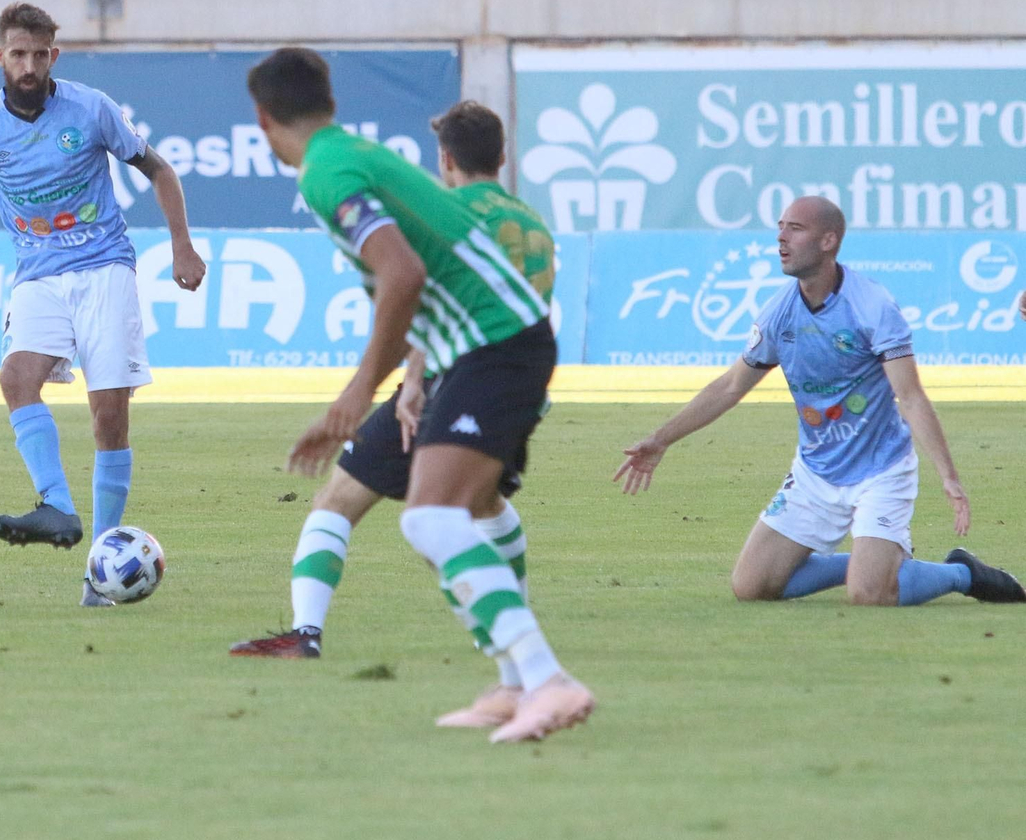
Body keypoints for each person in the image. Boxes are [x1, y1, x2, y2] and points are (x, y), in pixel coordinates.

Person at [245, 51, 593, 744]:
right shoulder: (352, 152)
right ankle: (514, 684)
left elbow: (399, 273)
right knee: (450, 516)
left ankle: (546, 680)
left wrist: (356, 392)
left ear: (263, 119)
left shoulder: (325, 173)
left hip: (494, 342)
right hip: (491, 341)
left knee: (432, 519)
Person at [0, 3, 205, 606]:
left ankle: (98, 570)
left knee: (109, 417)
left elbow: (160, 170)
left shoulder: (90, 108)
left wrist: (182, 246)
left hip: (104, 269)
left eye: (40, 54)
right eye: (18, 53)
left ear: (54, 57)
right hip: (39, 275)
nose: (28, 65)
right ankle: (58, 508)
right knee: (16, 378)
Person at [615, 195, 1024, 606]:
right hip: (815, 473)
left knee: (869, 595)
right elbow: (731, 386)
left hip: (880, 470)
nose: (780, 237)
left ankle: (960, 573)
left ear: (828, 241)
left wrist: (949, 477)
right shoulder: (779, 313)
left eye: (795, 228)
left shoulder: (872, 305)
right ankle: (872, 561)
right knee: (751, 588)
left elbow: (911, 397)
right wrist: (661, 438)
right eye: (780, 226)